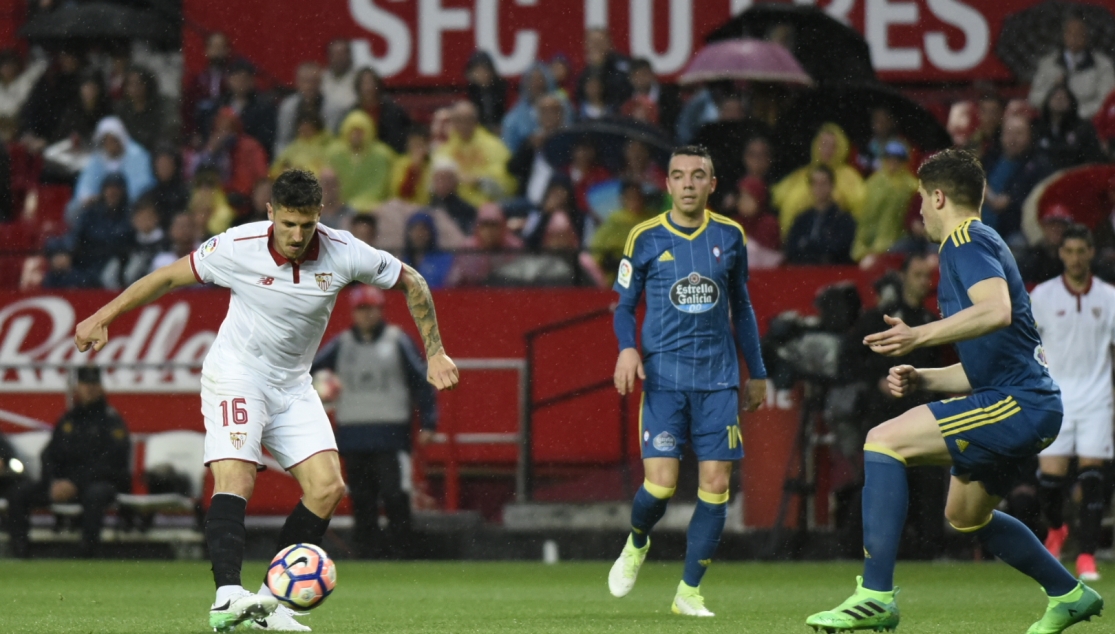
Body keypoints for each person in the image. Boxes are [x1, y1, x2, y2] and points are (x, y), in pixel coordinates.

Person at [74, 169, 460, 632]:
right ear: (271, 213)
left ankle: (266, 606)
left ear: (320, 216)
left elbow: (412, 281)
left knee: (328, 488)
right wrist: (104, 314)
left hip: (293, 384)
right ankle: (226, 596)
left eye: (307, 225)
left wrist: (435, 351)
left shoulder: (344, 251)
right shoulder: (237, 246)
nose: (297, 236)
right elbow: (168, 277)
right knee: (236, 473)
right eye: (288, 224)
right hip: (237, 374)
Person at [806, 149, 1104, 633]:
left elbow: (996, 310)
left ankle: (875, 596)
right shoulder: (977, 245)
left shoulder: (964, 241)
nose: (919, 210)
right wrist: (924, 378)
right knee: (966, 517)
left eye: (922, 198)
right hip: (1022, 398)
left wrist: (918, 335)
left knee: (883, 441)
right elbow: (984, 365)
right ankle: (1069, 594)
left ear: (939, 196)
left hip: (1019, 404)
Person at [608, 145, 767, 617]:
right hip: (664, 379)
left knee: (716, 483)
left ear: (712, 184)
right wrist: (627, 347)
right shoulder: (644, 237)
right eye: (679, 176)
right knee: (660, 486)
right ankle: (638, 541)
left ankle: (688, 593)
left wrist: (756, 371)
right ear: (669, 185)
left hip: (718, 380)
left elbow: (743, 308)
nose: (689, 184)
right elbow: (622, 307)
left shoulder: (731, 235)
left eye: (699, 175)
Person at [311, 285, 436, 559]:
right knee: (362, 497)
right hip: (353, 433)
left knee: (395, 494)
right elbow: (309, 371)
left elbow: (421, 382)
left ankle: (402, 549)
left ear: (381, 310)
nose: (367, 315)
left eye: (372, 308)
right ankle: (368, 551)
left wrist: (429, 422)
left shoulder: (396, 340)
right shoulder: (342, 343)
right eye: (362, 309)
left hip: (391, 434)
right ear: (354, 313)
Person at [842, 255, 945, 560]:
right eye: (917, 274)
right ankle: (854, 546)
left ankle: (930, 549)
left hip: (918, 408)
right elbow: (848, 359)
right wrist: (876, 381)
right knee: (877, 478)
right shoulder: (880, 318)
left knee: (928, 476)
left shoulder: (929, 323)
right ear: (902, 277)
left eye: (927, 276)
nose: (923, 282)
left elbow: (935, 366)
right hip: (882, 410)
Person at [1030, 224, 1113, 583]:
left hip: (1098, 398)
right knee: (1050, 483)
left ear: (1091, 253)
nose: (1076, 258)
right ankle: (1057, 528)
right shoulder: (1043, 296)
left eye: (1082, 251)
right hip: (1056, 399)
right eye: (1070, 251)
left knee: (1094, 478)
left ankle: (1086, 556)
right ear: (1060, 254)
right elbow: (1029, 347)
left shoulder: (1109, 297)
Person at [5, 366, 131, 559]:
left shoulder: (111, 421)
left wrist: (75, 483)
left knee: (95, 494)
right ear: (77, 388)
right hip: (63, 484)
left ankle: (87, 552)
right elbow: (49, 455)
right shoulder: (68, 419)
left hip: (96, 483)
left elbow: (113, 463)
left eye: (94, 384)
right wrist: (53, 481)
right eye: (85, 384)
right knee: (19, 493)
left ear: (101, 388)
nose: (89, 389)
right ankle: (20, 550)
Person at [772, 123, 866, 236]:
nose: (827, 150)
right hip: (795, 236)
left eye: (833, 146)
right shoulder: (802, 173)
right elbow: (776, 196)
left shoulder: (849, 176)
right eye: (824, 144)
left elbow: (860, 205)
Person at [67, 117, 154, 222]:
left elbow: (142, 187)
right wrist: (90, 198)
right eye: (106, 140)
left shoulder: (137, 155)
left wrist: (119, 198)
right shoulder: (97, 159)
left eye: (113, 140)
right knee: (74, 209)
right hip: (101, 205)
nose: (110, 144)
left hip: (129, 206)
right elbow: (86, 186)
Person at [1029, 15, 1115, 121]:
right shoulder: (1048, 63)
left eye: (1079, 33)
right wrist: (1052, 94)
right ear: (1064, 36)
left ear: (1087, 36)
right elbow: (1034, 97)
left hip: (1088, 121)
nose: (1074, 37)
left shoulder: (1102, 65)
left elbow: (1106, 100)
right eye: (1070, 33)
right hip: (1053, 121)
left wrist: (1077, 114)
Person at [982, 116, 1054, 242]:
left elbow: (1003, 203)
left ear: (1030, 136)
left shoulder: (1038, 165)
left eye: (1019, 133)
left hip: (1016, 232)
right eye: (1008, 133)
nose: (1013, 139)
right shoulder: (991, 158)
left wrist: (986, 192)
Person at [432, 101, 515, 207]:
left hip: (484, 208)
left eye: (467, 120)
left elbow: (508, 185)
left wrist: (479, 181)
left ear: (475, 121)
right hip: (452, 206)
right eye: (458, 120)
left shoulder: (494, 146)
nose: (463, 125)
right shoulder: (444, 149)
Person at [852, 142, 919, 261]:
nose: (893, 163)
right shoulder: (873, 183)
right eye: (889, 158)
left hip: (896, 243)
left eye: (898, 159)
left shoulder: (912, 186)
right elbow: (865, 217)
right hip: (871, 241)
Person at [785, 165, 857, 265]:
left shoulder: (843, 219)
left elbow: (840, 248)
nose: (819, 188)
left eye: (823, 183)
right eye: (815, 183)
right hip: (803, 272)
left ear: (832, 185)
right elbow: (791, 247)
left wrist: (808, 245)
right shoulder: (802, 218)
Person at [326, 110, 395, 211]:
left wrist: (362, 204)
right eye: (352, 131)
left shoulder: (381, 155)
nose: (356, 135)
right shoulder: (334, 153)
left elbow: (380, 187)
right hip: (339, 207)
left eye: (360, 132)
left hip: (373, 206)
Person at [1034, 85, 1106, 171]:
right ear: (1047, 101)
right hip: (1045, 178)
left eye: (1063, 98)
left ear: (1071, 102)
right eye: (1055, 97)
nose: (1059, 100)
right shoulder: (1039, 128)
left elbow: (1094, 158)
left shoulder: (1084, 128)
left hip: (1075, 176)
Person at [220, 59, 277, 158]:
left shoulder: (264, 107)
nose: (240, 83)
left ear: (252, 81)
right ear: (228, 80)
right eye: (236, 79)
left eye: (244, 79)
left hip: (250, 157)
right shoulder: (220, 105)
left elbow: (266, 139)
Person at [348, 67, 411, 154]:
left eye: (371, 83)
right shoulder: (352, 114)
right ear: (358, 87)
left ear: (378, 85)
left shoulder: (393, 112)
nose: (368, 88)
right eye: (364, 83)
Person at [274, 62, 324, 157]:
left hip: (323, 157)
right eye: (305, 81)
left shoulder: (333, 108)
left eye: (313, 81)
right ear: (297, 82)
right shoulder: (287, 107)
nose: (309, 86)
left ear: (320, 82)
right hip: (295, 157)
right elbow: (283, 140)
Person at [114, 67, 164, 153]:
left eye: (138, 83)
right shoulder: (120, 111)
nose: (135, 88)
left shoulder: (159, 109)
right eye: (130, 84)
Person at [464, 52, 507, 131]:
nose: (482, 74)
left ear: (491, 71)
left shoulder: (503, 90)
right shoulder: (467, 93)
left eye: (484, 70)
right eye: (478, 71)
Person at [391, 126, 432, 206]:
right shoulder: (401, 163)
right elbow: (402, 193)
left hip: (425, 207)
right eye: (414, 144)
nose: (416, 149)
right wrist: (414, 168)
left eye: (420, 145)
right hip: (404, 206)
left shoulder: (432, 164)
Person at [320, 39, 357, 126]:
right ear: (329, 56)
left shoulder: (358, 78)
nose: (339, 58)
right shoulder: (321, 78)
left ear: (350, 55)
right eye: (335, 54)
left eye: (342, 54)